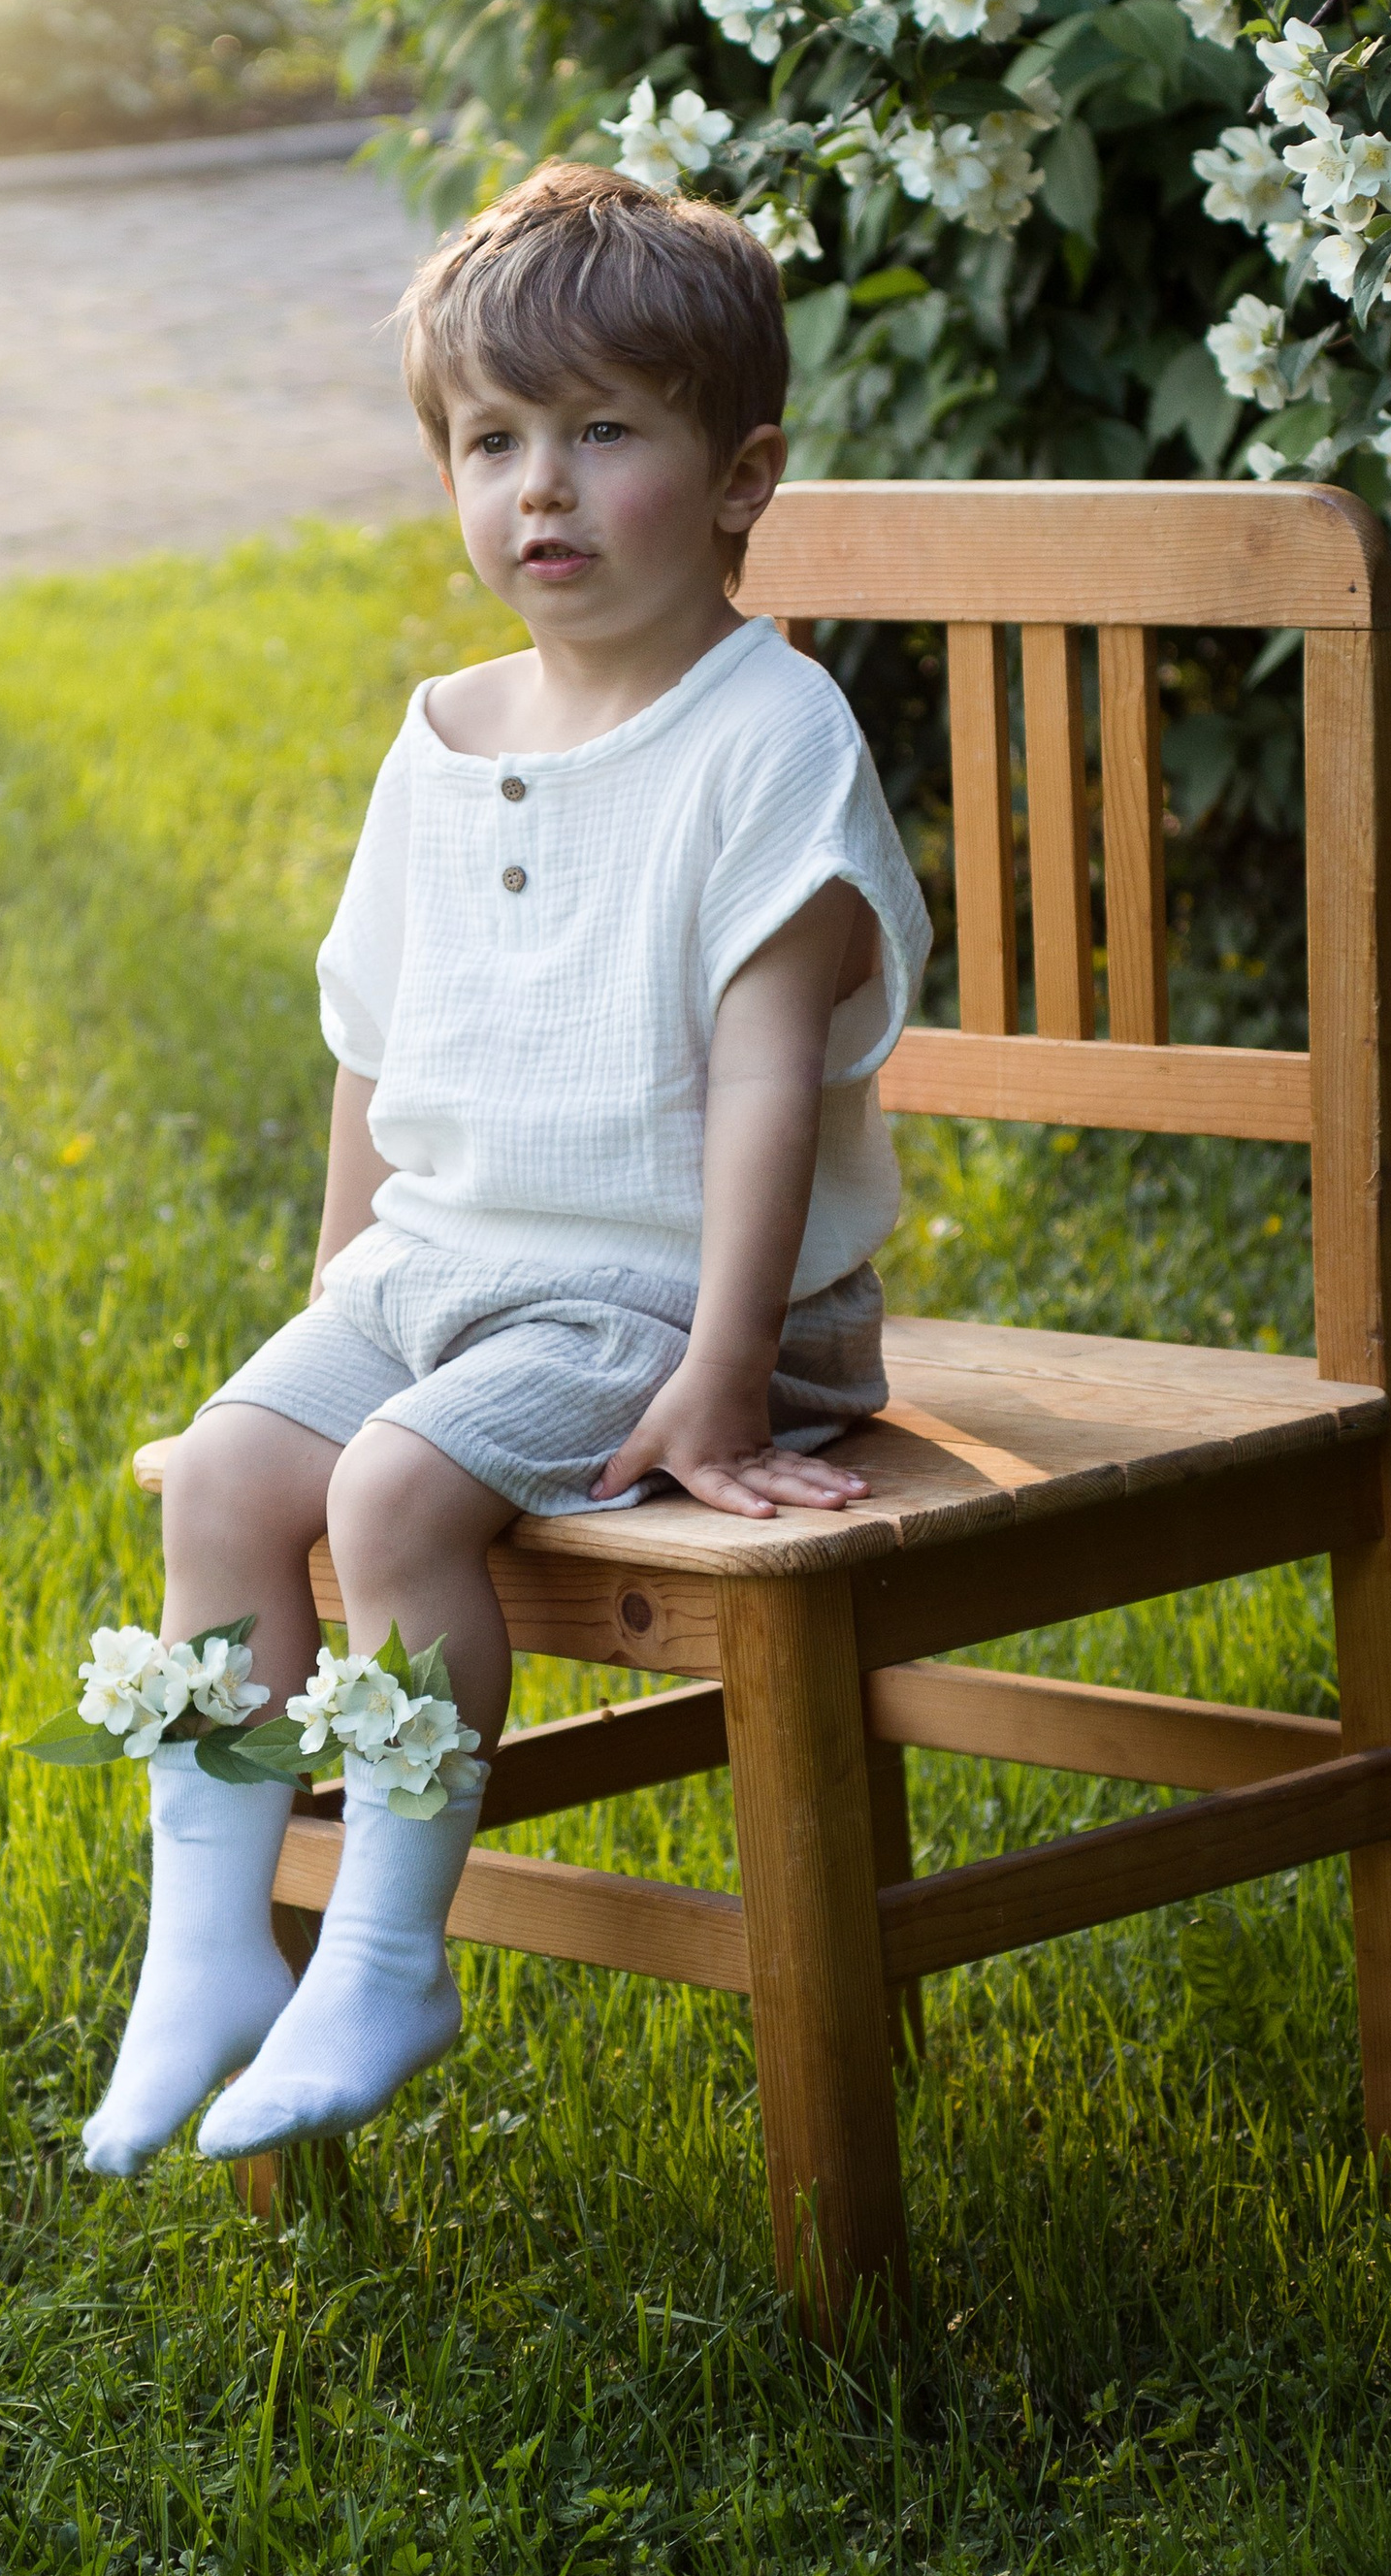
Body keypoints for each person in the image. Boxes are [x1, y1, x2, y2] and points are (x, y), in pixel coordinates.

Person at [81, 159, 930, 2178]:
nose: (534, 490)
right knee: (226, 1473)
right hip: (439, 1271)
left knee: (388, 1499)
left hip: (666, 1298)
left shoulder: (766, 734)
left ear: (740, 476)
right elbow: (372, 1042)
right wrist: (325, 1302)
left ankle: (384, 1948)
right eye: (489, 442)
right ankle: (203, 1944)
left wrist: (725, 1369)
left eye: (600, 433)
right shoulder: (440, 734)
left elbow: (761, 1083)